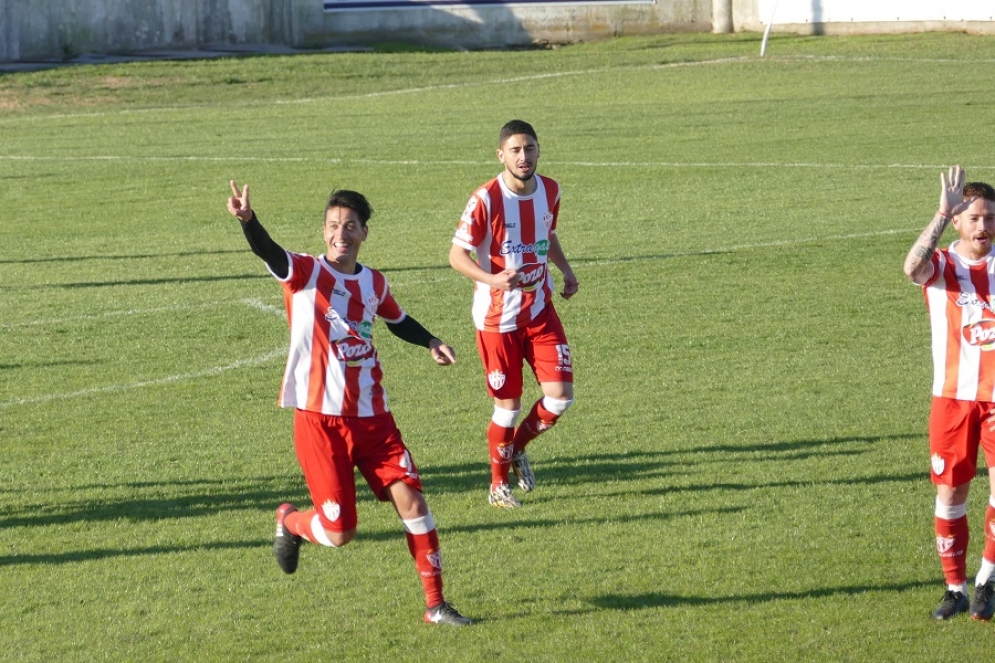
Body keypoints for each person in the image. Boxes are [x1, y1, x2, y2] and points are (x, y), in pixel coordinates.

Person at [226, 180, 471, 626]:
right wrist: (248, 220)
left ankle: (436, 605)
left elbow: (397, 319)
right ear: (324, 231)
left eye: (351, 226)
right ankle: (291, 522)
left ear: (364, 233)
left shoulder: (374, 281)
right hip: (320, 422)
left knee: (415, 505)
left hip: (375, 419)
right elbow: (270, 252)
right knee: (340, 533)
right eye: (334, 225)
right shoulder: (305, 272)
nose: (342, 233)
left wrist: (431, 341)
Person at [449, 120, 579, 508]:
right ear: (501, 155)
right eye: (516, 150)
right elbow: (456, 256)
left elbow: (547, 235)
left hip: (540, 310)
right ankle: (497, 486)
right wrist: (492, 279)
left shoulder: (551, 190)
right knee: (508, 408)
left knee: (560, 397)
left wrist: (566, 270)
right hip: (497, 320)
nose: (524, 157)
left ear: (539, 151)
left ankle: (518, 448)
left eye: (530, 148)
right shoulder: (486, 199)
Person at [903, 165, 995, 621]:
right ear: (958, 220)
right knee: (951, 495)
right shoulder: (941, 265)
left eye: (991, 218)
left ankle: (987, 580)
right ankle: (954, 588)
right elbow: (910, 268)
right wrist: (940, 214)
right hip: (952, 399)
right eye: (974, 217)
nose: (983, 226)